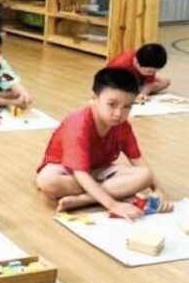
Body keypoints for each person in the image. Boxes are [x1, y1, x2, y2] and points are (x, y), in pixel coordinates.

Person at [35, 67, 164, 216]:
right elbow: (80, 172)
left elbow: (137, 159)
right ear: (94, 99)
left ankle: (85, 199)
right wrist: (113, 204)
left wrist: (158, 190)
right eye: (112, 104)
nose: (119, 113)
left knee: (145, 175)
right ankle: (110, 193)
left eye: (127, 107)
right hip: (66, 170)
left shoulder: (122, 126)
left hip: (99, 171)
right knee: (47, 181)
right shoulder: (77, 123)